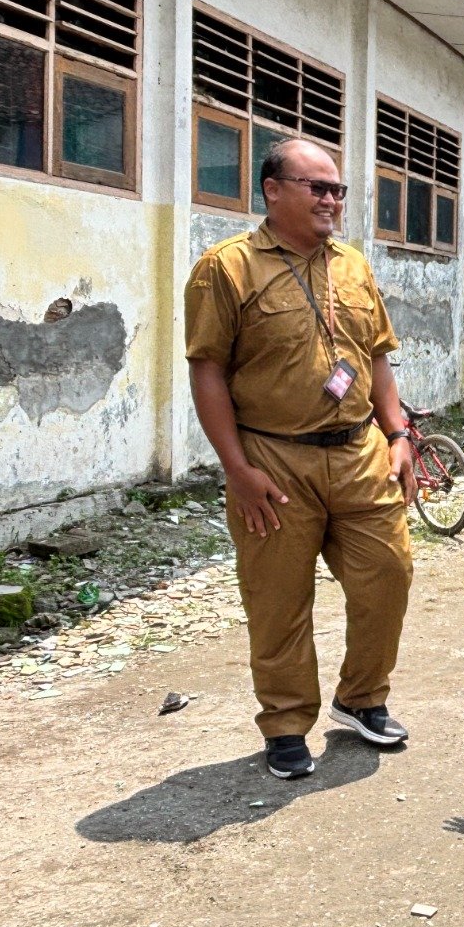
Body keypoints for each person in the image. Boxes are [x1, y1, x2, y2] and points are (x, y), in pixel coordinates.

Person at [184, 138, 417, 780]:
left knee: (388, 576)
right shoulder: (225, 268)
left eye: (338, 189)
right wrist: (237, 470)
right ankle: (286, 724)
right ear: (272, 189)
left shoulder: (353, 266)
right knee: (279, 600)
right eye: (317, 187)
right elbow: (207, 371)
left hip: (359, 452)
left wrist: (397, 434)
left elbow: (375, 358)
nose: (331, 200)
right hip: (272, 459)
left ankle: (361, 698)